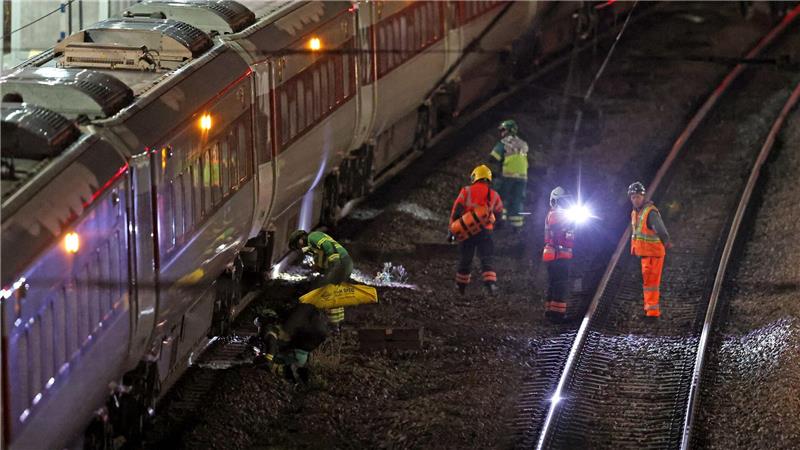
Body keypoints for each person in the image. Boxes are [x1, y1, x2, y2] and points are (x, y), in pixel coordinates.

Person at [449, 165, 504, 295]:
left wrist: (451, 231)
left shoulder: (466, 191)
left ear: (475, 177)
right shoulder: (494, 195)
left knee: (465, 258)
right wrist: (496, 227)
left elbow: (456, 212)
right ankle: (490, 285)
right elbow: (499, 215)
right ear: (488, 179)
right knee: (487, 257)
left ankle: (460, 287)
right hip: (485, 232)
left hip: (466, 232)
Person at [288, 229, 353, 327]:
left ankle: (334, 326)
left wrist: (333, 264)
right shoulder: (312, 247)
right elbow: (321, 258)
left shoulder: (313, 237)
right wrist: (319, 268)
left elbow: (328, 247)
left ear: (301, 239)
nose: (300, 249)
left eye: (298, 246)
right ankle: (336, 324)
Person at [253, 302, 329, 383]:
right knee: (299, 358)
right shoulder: (300, 317)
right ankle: (303, 380)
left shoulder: (270, 329)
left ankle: (295, 378)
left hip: (303, 344)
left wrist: (268, 359)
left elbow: (272, 342)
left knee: (294, 361)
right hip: (310, 341)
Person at [628, 181, 672, 318]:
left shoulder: (650, 212)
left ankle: (652, 313)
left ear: (643, 196)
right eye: (633, 197)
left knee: (651, 283)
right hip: (646, 254)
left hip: (653, 254)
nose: (636, 199)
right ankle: (650, 309)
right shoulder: (635, 213)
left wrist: (666, 243)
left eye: (638, 197)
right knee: (649, 283)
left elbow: (661, 231)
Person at [488, 119, 529, 231]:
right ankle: (516, 226)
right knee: (517, 200)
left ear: (509, 130)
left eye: (503, 130)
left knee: (500, 198)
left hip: (508, 175)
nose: (502, 133)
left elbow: (493, 158)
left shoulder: (505, 142)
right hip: (522, 177)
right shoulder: (523, 143)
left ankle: (498, 222)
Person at [542, 187, 575, 322]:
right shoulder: (555, 214)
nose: (565, 204)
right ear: (555, 201)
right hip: (558, 255)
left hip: (555, 254)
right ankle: (557, 315)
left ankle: (550, 311)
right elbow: (557, 227)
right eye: (563, 201)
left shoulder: (558, 213)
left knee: (553, 283)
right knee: (560, 284)